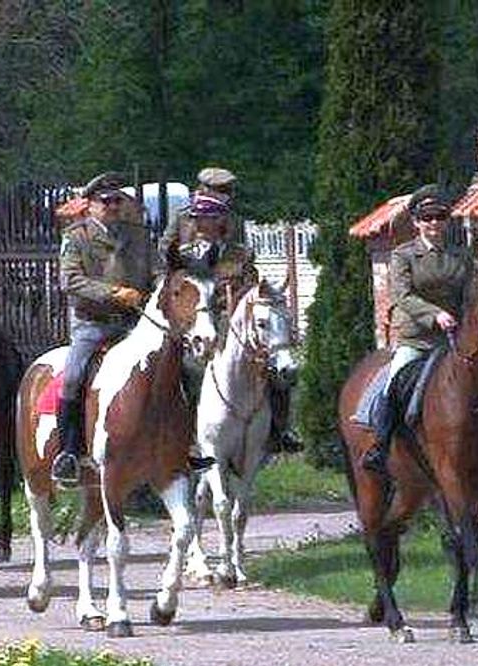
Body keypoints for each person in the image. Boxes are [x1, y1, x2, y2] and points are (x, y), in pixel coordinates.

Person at [362, 184, 478, 478]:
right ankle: (380, 447)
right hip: (418, 339)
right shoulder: (403, 255)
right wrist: (434, 315)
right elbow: (402, 295)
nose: (434, 223)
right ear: (417, 221)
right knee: (393, 385)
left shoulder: (461, 256)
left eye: (440, 216)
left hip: (456, 341)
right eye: (427, 217)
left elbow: (476, 293)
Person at [169, 189, 304, 455]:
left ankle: (281, 430)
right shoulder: (184, 255)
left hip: (234, 325)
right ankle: (186, 433)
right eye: (196, 218)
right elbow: (178, 291)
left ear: (220, 220)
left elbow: (252, 289)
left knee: (277, 370)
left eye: (206, 217)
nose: (198, 224)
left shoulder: (240, 255)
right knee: (183, 370)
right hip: (196, 326)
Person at [51, 172, 154, 485]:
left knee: (176, 365)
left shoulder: (138, 236)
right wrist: (113, 293)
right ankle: (69, 452)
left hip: (134, 323)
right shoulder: (77, 236)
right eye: (105, 201)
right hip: (93, 324)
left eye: (116, 200)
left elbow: (156, 271)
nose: (112, 206)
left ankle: (182, 443)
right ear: (91, 205)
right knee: (73, 376)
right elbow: (70, 280)